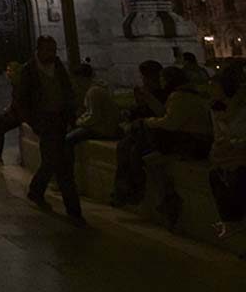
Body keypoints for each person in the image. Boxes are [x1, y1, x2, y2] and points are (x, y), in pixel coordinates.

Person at [111, 66, 213, 214]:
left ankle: (141, 192)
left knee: (141, 153)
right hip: (187, 140)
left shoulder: (179, 95)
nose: (161, 82)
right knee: (141, 153)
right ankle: (157, 196)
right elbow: (165, 114)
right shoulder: (184, 94)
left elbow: (169, 122)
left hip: (191, 143)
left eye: (163, 79)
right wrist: (147, 99)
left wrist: (147, 122)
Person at [17, 35, 84, 225]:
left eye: (54, 50)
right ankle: (74, 212)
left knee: (53, 161)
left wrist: (72, 115)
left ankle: (37, 190)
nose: (52, 54)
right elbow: (21, 99)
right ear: (38, 50)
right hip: (44, 122)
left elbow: (68, 91)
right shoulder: (29, 70)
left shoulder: (58, 66)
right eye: (48, 50)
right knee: (61, 165)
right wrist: (33, 122)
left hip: (60, 120)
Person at [208, 64, 246, 239]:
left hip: (240, 154)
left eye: (213, 87)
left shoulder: (242, 108)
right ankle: (230, 221)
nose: (210, 90)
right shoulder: (216, 109)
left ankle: (232, 221)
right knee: (217, 176)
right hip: (230, 155)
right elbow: (219, 137)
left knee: (237, 177)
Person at [65, 63, 121, 149]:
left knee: (68, 139)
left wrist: (79, 122)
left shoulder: (93, 92)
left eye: (77, 80)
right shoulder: (97, 89)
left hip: (103, 129)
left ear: (82, 78)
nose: (76, 83)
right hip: (106, 127)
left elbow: (93, 116)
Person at [0, 61, 23, 166]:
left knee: (0, 128)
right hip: (15, 112)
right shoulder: (15, 83)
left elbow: (20, 102)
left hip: (20, 114)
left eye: (9, 70)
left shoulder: (19, 84)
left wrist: (10, 110)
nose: (7, 73)